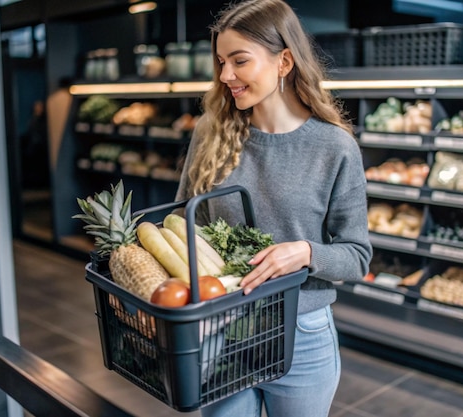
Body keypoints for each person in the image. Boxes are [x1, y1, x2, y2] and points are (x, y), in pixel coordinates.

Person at [174, 0, 372, 416]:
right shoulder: (211, 134)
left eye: (240, 61)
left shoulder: (334, 148)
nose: (226, 75)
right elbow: (180, 224)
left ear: (284, 61)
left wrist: (304, 253)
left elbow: (356, 256)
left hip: (301, 333)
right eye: (221, 62)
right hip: (222, 329)